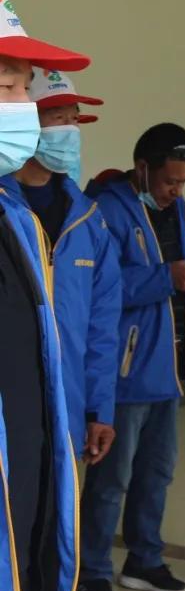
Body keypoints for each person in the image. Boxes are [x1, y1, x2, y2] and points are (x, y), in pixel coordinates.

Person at [78, 123, 185, 591]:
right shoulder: (105, 211)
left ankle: (144, 558)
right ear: (142, 169)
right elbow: (103, 287)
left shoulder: (181, 211)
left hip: (170, 368)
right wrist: (168, 277)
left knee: (157, 473)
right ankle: (91, 571)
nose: (176, 191)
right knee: (112, 478)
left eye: (183, 182)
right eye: (168, 182)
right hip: (127, 371)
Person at [0, 0, 90, 591]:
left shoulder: (15, 220)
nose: (23, 110)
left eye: (24, 90)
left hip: (19, 525)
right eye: (8, 87)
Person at [1, 67, 120, 467]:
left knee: (56, 519)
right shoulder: (6, 209)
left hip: (67, 407)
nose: (71, 130)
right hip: (9, 408)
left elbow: (102, 325)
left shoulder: (90, 220)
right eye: (58, 119)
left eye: (74, 119)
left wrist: (99, 409)